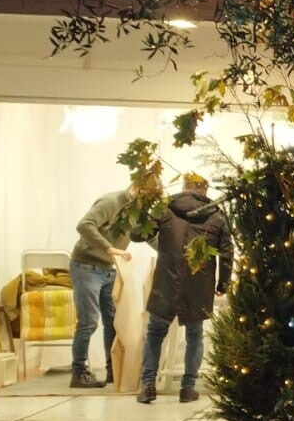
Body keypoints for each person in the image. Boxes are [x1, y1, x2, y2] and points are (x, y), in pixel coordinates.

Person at [136, 173, 232, 404]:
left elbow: (138, 235)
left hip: (166, 282)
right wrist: (223, 283)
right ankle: (188, 388)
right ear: (205, 191)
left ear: (183, 187)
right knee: (194, 335)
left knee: (155, 333)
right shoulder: (216, 215)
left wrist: (142, 211)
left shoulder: (164, 209)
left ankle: (148, 385)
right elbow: (227, 253)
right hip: (198, 285)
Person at [69, 184, 136, 388]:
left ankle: (113, 369)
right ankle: (79, 373)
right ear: (137, 187)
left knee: (114, 322)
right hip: (86, 266)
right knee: (88, 322)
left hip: (109, 269)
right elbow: (84, 225)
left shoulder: (139, 210)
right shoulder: (111, 202)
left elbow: (149, 235)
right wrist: (109, 248)